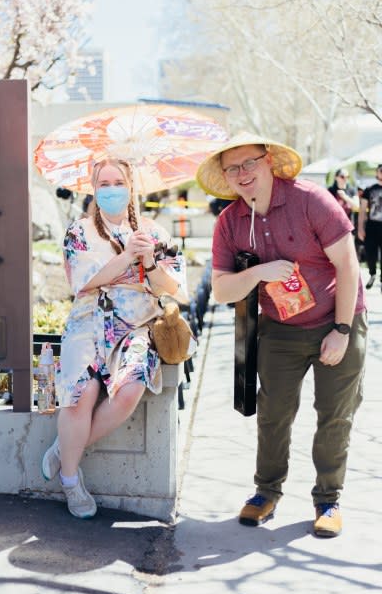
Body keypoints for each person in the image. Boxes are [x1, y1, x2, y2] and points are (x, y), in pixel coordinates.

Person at [197, 132, 367, 538]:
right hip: (279, 329)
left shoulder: (312, 201)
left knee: (334, 415)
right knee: (273, 414)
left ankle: (328, 499)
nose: (242, 174)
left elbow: (348, 266)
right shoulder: (230, 222)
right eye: (232, 168)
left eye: (249, 163)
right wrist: (256, 274)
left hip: (336, 317)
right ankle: (266, 492)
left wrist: (342, 331)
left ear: (268, 160)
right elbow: (222, 291)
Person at [41, 158, 187, 518]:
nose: (110, 190)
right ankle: (72, 482)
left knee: (128, 390)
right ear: (94, 189)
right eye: (103, 184)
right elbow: (83, 282)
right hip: (89, 321)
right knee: (81, 393)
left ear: (131, 187)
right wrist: (126, 258)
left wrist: (150, 261)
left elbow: (177, 290)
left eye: (117, 182)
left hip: (137, 324)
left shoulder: (154, 232)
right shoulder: (79, 231)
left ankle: (63, 449)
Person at [358, 164, 382, 291]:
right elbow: (362, 210)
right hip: (372, 226)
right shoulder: (369, 189)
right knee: (370, 253)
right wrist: (360, 228)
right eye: (380, 171)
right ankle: (372, 274)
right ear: (377, 173)